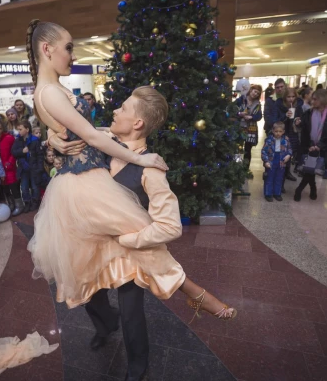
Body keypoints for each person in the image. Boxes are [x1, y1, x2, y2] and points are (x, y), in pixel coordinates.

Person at [26, 21, 236, 342]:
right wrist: (139, 157)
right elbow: (90, 134)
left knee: (135, 246)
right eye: (68, 47)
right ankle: (194, 294)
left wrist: (55, 136)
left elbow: (84, 131)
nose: (72, 54)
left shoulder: (52, 90)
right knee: (105, 256)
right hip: (82, 183)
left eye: (123, 108)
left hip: (84, 180)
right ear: (47, 49)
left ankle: (190, 297)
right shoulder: (50, 91)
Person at [47, 84, 234, 380]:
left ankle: (137, 367)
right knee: (89, 293)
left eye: (122, 108)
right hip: (95, 243)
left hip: (130, 252)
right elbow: (71, 130)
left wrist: (130, 240)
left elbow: (170, 226)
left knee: (131, 309)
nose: (115, 111)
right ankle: (106, 324)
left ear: (137, 123)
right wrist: (52, 137)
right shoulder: (103, 141)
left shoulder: (151, 170)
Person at [293, 89, 327, 202]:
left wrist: (320, 145)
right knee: (309, 169)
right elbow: (304, 130)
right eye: (312, 98)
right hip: (309, 146)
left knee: (311, 170)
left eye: (315, 99)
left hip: (323, 148)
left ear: (323, 99)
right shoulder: (309, 113)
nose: (312, 101)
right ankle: (311, 189)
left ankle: (300, 189)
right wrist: (298, 123)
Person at [0, 120, 21, 215]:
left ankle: (19, 205)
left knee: (13, 186)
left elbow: (14, 151)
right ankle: (10, 204)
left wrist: (10, 162)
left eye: (0, 128)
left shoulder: (9, 138)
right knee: (4, 187)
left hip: (9, 167)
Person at [11, 119, 44, 212]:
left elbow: (40, 155)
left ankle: (35, 202)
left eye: (20, 129)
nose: (19, 131)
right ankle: (27, 202)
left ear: (27, 129)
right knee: (24, 187)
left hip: (34, 168)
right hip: (23, 167)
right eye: (18, 129)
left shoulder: (35, 140)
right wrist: (22, 151)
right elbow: (13, 152)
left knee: (34, 186)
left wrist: (39, 168)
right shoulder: (18, 140)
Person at [273, 87, 303, 182]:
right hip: (281, 133)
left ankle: (287, 172)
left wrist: (298, 121)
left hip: (292, 133)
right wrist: (285, 116)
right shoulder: (279, 105)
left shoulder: (298, 106)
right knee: (279, 153)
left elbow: (302, 118)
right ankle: (279, 175)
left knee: (289, 154)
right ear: (285, 97)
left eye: (293, 96)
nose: (291, 99)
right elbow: (275, 120)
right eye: (288, 97)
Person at [231, 84, 262, 165]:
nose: (255, 94)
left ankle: (245, 169)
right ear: (251, 90)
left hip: (251, 129)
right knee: (238, 148)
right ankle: (237, 166)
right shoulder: (241, 99)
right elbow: (231, 109)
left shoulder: (257, 104)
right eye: (255, 91)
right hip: (239, 127)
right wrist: (239, 114)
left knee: (248, 149)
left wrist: (251, 117)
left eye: (258, 93)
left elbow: (259, 116)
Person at [261, 122, 292, 202]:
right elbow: (264, 151)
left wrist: (288, 155)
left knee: (279, 178)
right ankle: (268, 194)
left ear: (283, 131)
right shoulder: (269, 140)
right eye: (276, 131)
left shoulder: (286, 140)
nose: (278, 133)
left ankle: (277, 193)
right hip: (271, 162)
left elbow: (289, 149)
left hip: (281, 163)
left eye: (280, 131)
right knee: (269, 178)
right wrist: (266, 161)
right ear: (273, 131)